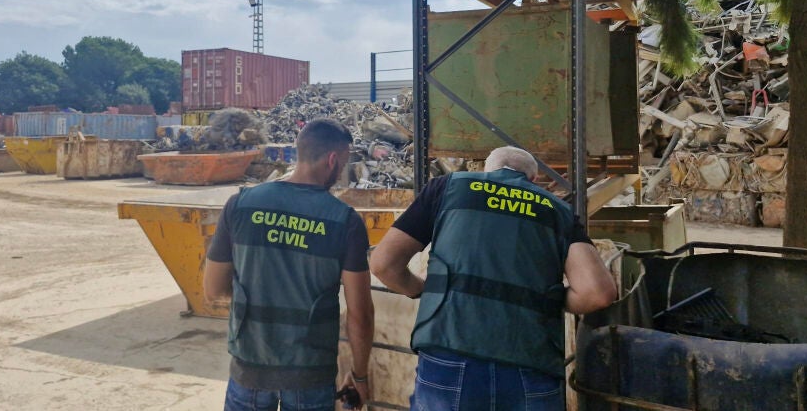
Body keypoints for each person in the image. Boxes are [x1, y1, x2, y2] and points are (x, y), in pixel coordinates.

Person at [370, 146, 617, 411]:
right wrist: (551, 299)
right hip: (531, 361)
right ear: (532, 179)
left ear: (487, 171)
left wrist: (421, 289)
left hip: (450, 352)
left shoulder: (447, 187)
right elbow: (598, 293)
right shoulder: (558, 210)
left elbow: (384, 264)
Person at [204, 118, 374, 411]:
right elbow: (360, 314)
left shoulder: (240, 205)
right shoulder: (345, 221)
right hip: (311, 376)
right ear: (332, 160)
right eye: (343, 163)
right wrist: (359, 375)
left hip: (249, 369)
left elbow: (213, 289)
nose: (341, 172)